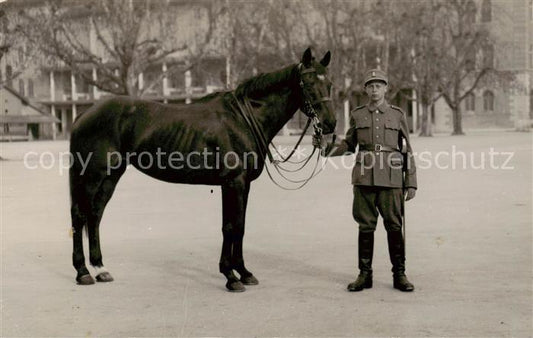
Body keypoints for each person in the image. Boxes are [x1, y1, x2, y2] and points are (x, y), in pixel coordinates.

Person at [314, 68, 417, 292]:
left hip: (391, 179)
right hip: (364, 178)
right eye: (370, 86)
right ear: (366, 89)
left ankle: (399, 275)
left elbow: (407, 149)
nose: (374, 89)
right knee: (365, 226)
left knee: (394, 226)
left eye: (378, 85)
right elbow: (349, 145)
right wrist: (326, 149)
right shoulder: (358, 115)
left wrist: (410, 181)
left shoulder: (397, 114)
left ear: (386, 88)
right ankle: (364, 275)